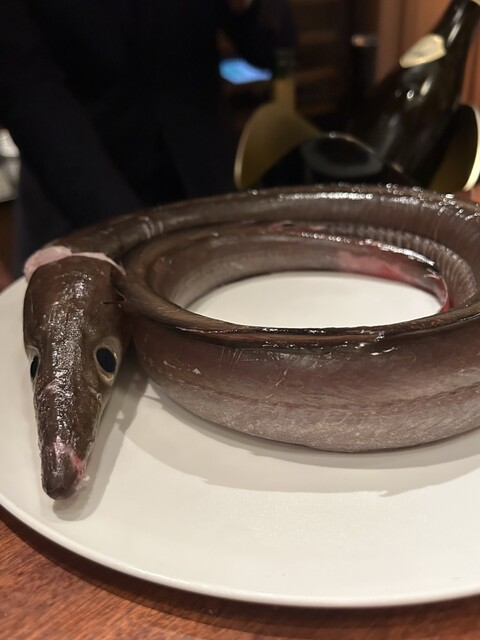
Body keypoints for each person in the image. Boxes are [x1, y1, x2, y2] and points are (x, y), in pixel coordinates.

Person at [0, 0, 296, 273]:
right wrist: (132, 234)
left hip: (206, 191)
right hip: (76, 202)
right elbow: (26, 90)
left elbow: (276, 48)